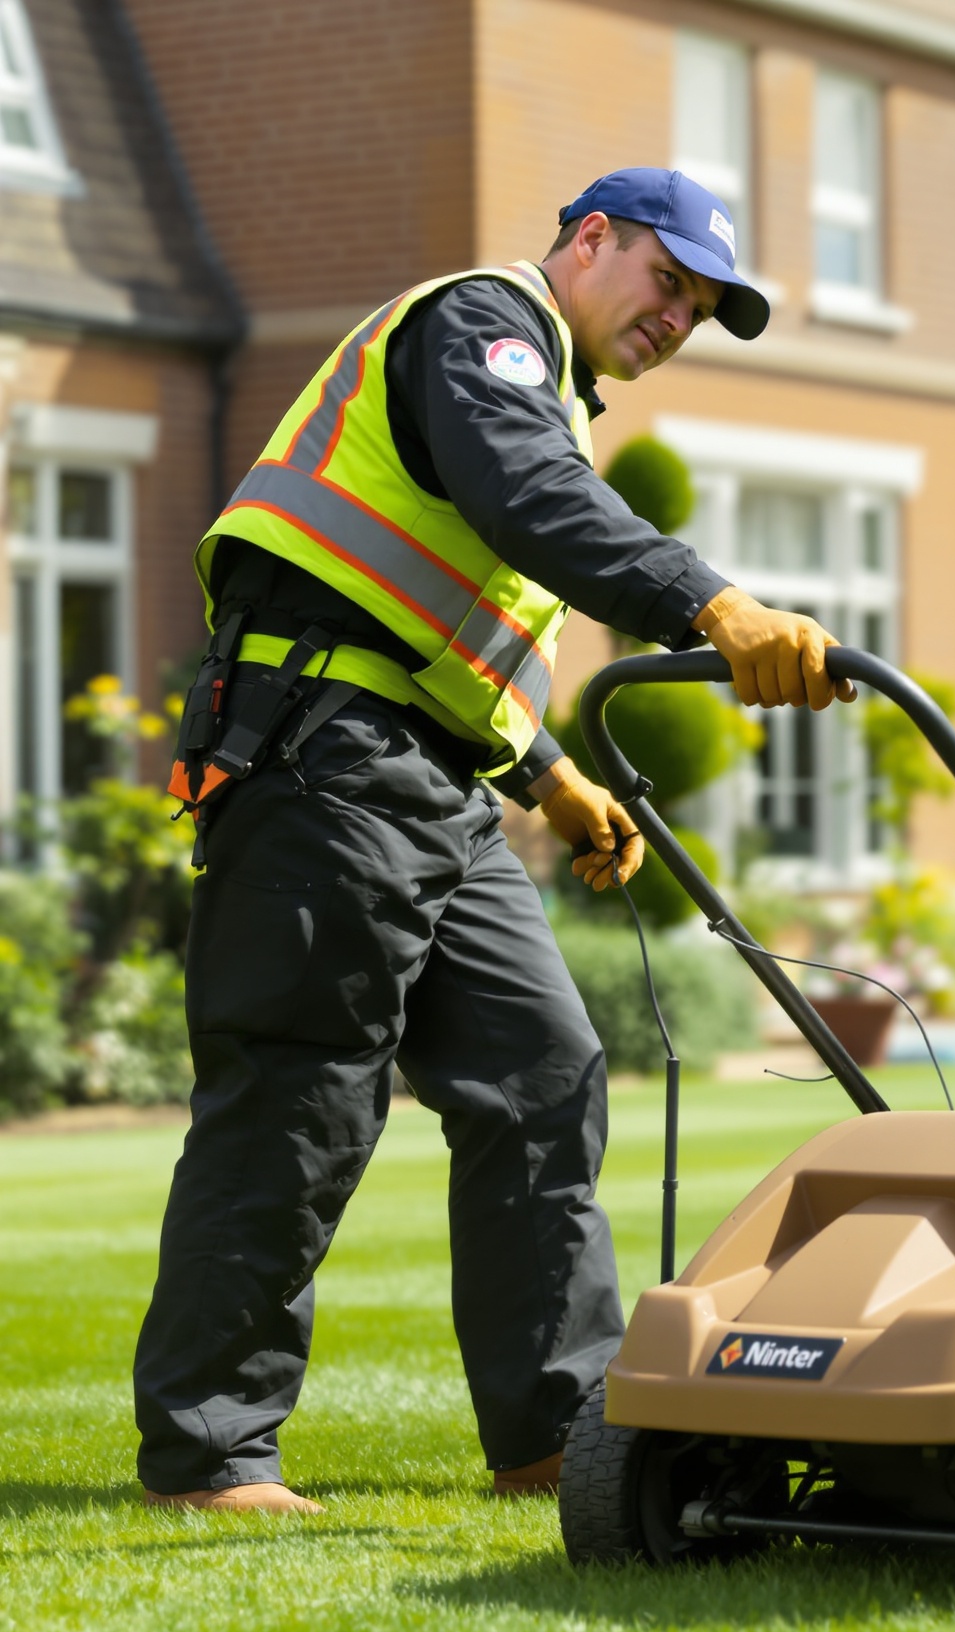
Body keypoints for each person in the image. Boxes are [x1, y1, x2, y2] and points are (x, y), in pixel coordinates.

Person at [133, 168, 848, 1513]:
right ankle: (211, 1451)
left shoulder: (540, 394)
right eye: (668, 282)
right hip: (316, 757)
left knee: (544, 1077)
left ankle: (553, 1439)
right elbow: (525, 501)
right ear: (589, 241)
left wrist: (557, 780)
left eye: (700, 308)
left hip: (419, 778)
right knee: (300, 1094)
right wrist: (710, 602)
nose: (677, 317)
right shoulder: (482, 328)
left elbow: (435, 642)